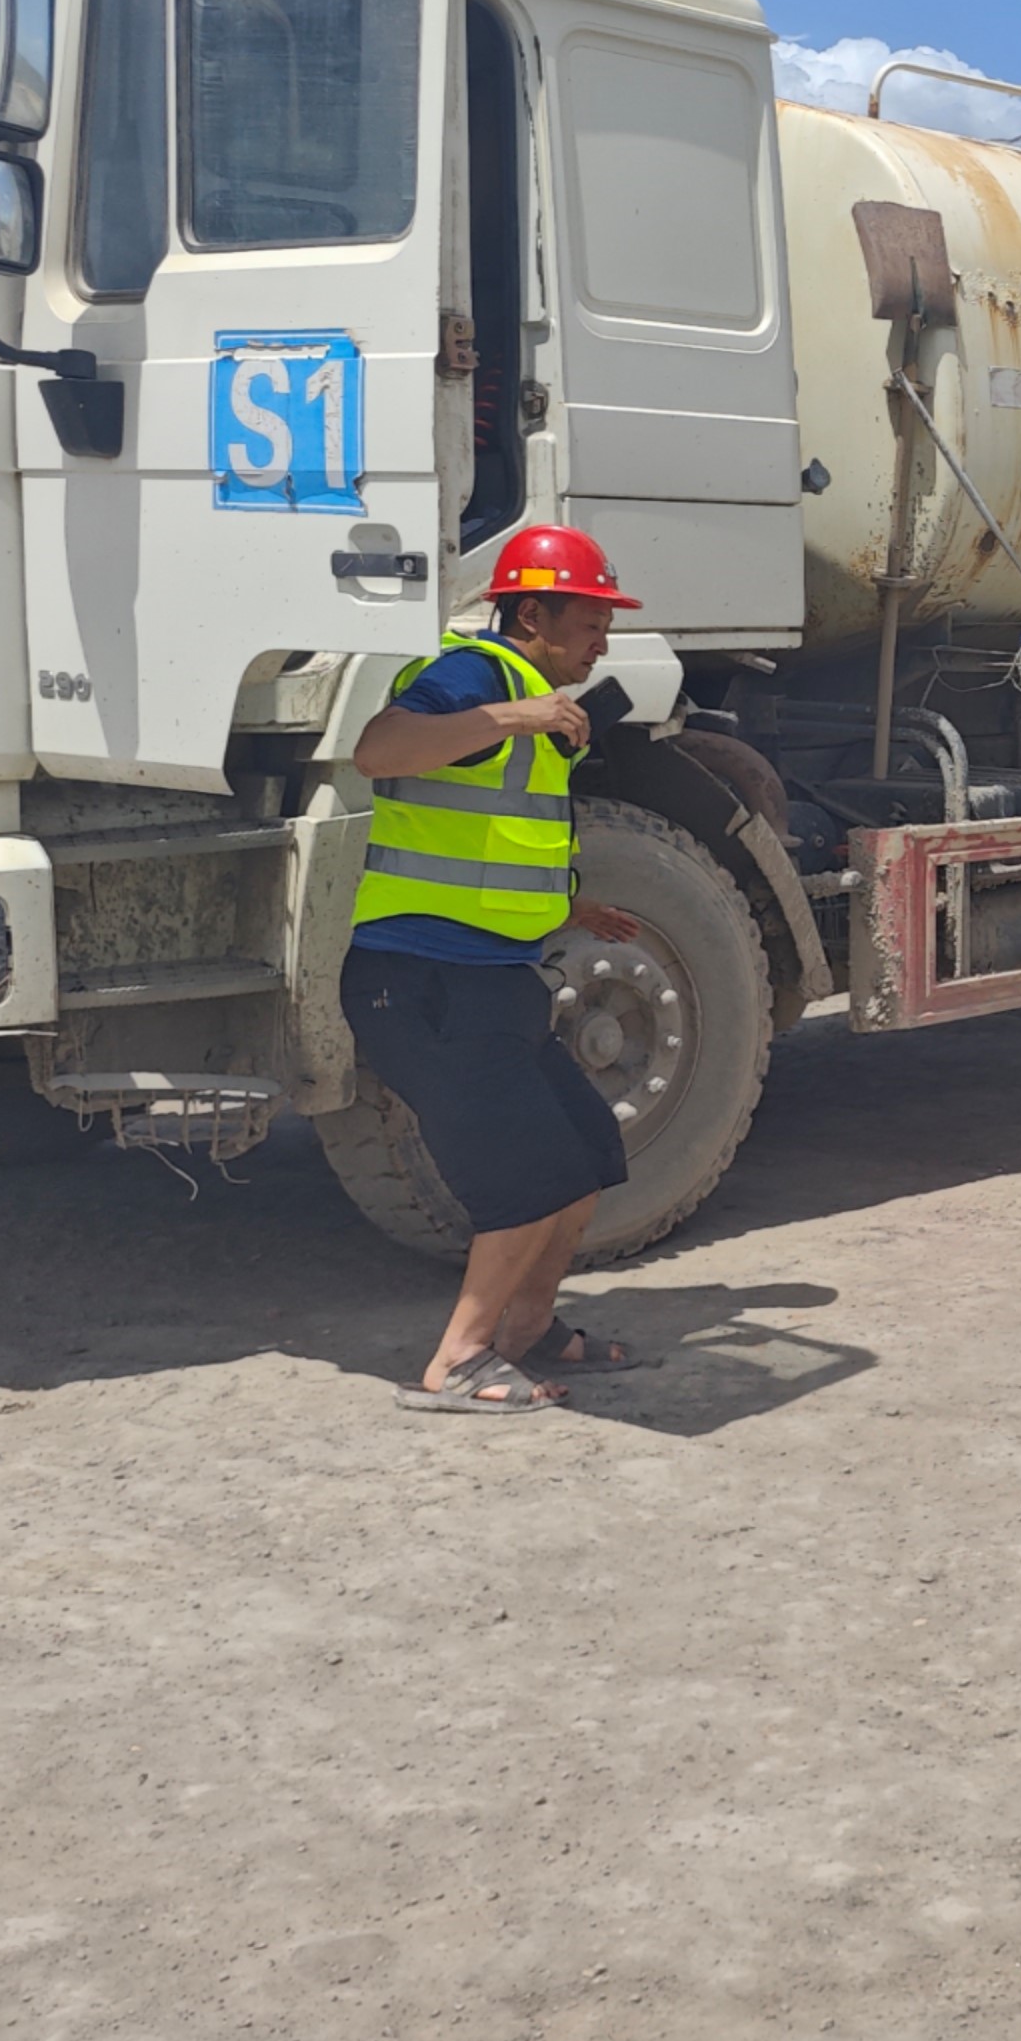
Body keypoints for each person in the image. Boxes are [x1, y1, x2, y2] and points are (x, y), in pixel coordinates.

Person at [346, 524, 651, 1409]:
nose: (602, 645)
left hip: (492, 980)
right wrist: (523, 715)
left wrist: (568, 908)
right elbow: (379, 749)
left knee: (585, 1154)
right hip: (421, 981)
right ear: (531, 617)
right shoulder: (477, 675)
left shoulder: (524, 695)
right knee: (530, 1176)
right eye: (591, 623)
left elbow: (482, 843)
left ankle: (527, 1331)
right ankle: (458, 1361)